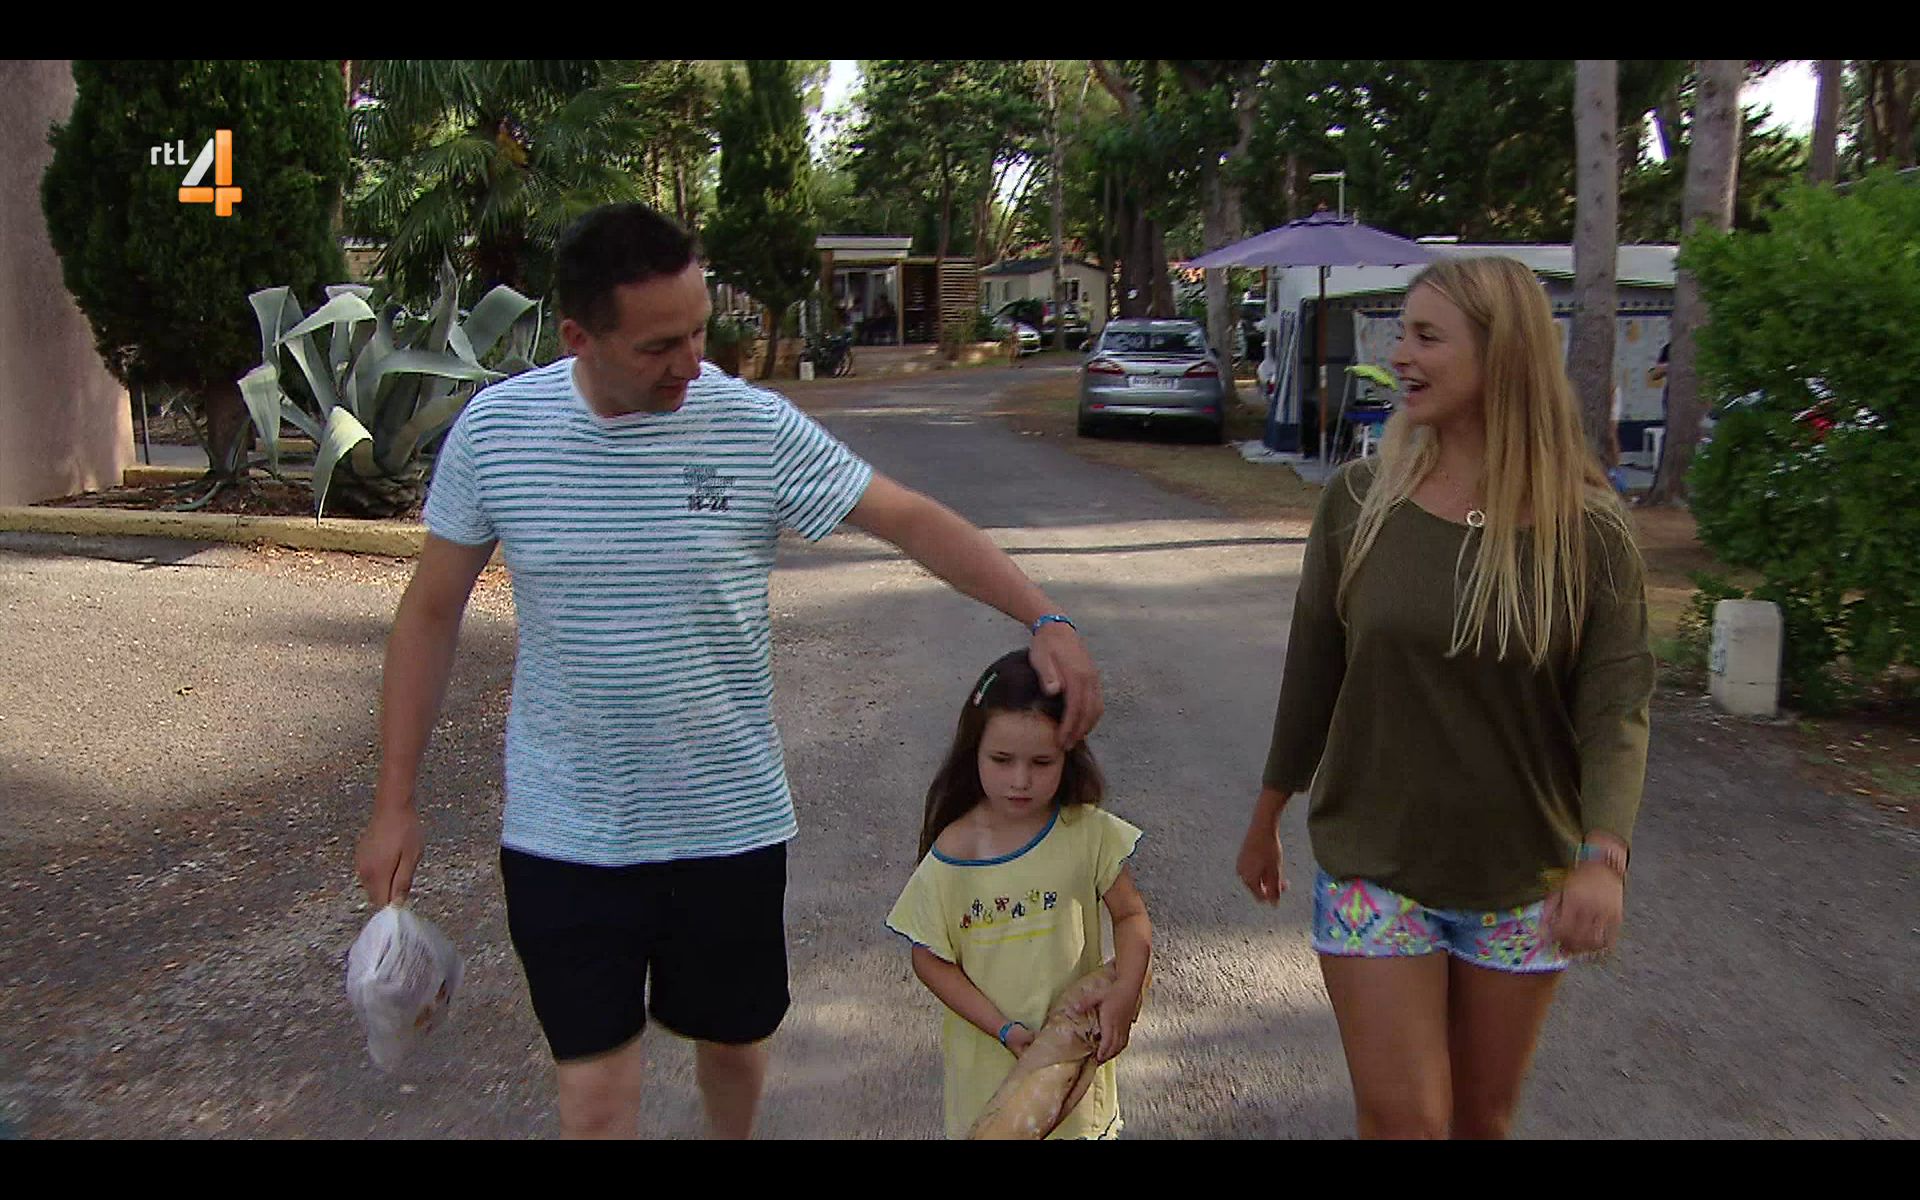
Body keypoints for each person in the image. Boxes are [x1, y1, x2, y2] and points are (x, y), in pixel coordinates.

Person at [354, 203, 1103, 1140]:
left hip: (725, 824)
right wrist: (394, 801)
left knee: (734, 1048)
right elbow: (431, 613)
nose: (691, 362)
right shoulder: (499, 432)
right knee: (594, 1104)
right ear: (580, 337)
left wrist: (1044, 616)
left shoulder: (750, 426)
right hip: (564, 833)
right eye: (659, 346)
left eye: (699, 331)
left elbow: (908, 518)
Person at [1235, 256, 1655, 1140]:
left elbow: (1616, 704)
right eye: (1402, 333)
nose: (1401, 355)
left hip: (1521, 872)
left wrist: (1603, 857)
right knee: (1407, 1120)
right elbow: (1313, 669)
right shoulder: (1359, 503)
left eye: (1427, 336)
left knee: (1478, 1120)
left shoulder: (1589, 531)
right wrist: (1268, 812)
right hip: (1374, 862)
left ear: (1502, 356)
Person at [886, 651, 1151, 1140]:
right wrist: (1002, 1029)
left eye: (1042, 762)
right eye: (1002, 760)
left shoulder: (1088, 833)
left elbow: (1131, 916)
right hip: (989, 1083)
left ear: (1068, 755)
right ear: (974, 753)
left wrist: (1126, 990)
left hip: (1074, 1070)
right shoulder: (954, 853)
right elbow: (929, 960)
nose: (1021, 780)